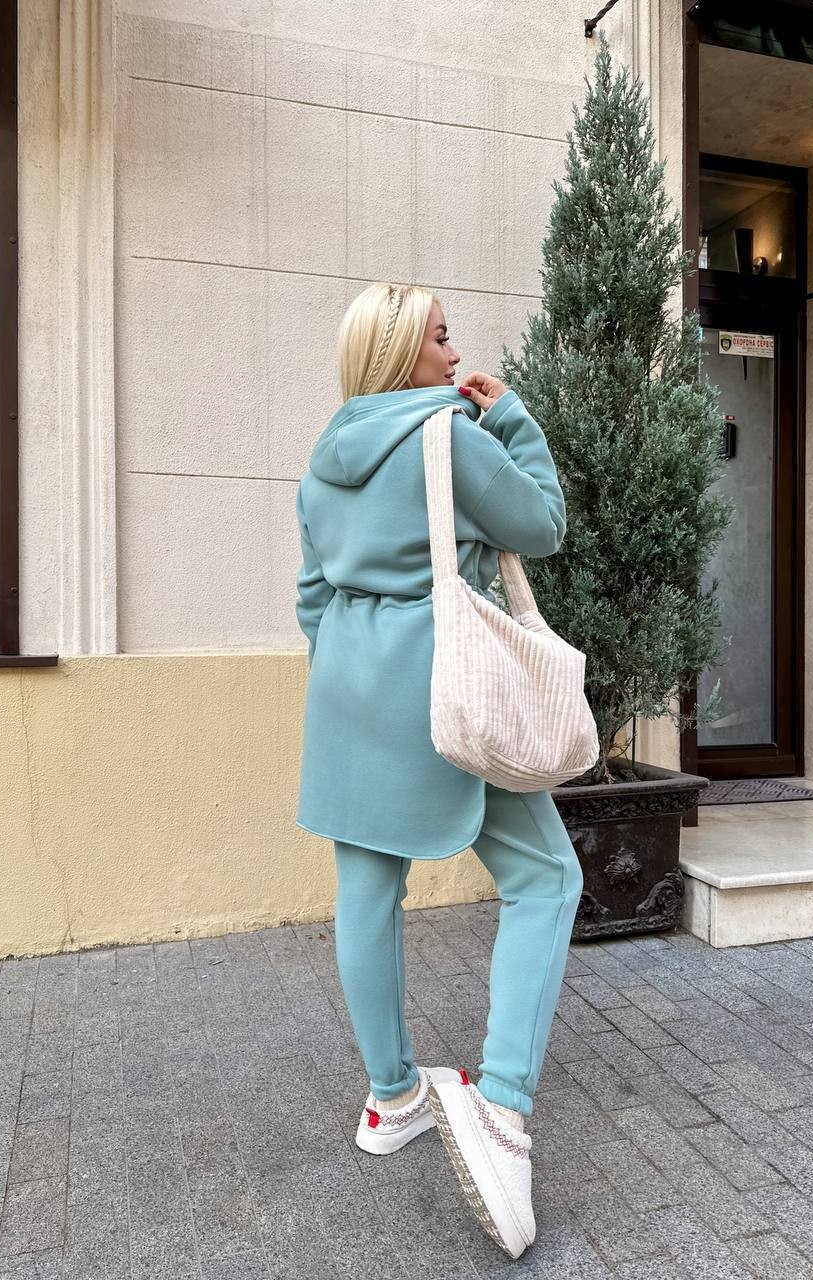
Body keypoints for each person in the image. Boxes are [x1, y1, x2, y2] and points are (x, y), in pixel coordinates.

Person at [293, 281, 584, 1260]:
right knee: (547, 877)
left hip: (347, 693)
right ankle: (499, 1106)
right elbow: (540, 524)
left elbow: (311, 598)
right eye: (439, 338)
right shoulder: (446, 436)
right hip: (441, 692)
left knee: (366, 891)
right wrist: (513, 418)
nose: (454, 355)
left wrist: (353, 665)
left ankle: (393, 1098)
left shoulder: (321, 462)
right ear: (396, 355)